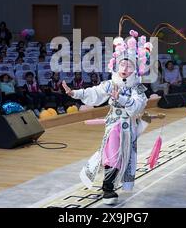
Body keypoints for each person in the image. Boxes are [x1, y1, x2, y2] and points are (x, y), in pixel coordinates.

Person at [62, 31, 150, 205]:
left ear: (135, 69)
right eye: (122, 65)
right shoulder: (111, 83)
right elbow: (94, 92)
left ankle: (110, 186)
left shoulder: (137, 88)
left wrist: (121, 99)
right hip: (113, 125)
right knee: (112, 155)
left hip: (128, 127)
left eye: (129, 66)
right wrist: (75, 93)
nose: (125, 69)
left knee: (123, 157)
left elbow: (139, 106)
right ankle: (107, 189)